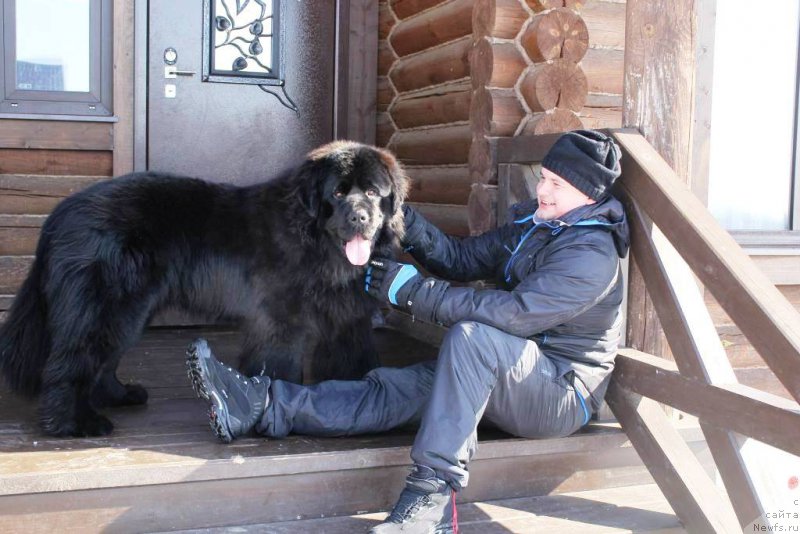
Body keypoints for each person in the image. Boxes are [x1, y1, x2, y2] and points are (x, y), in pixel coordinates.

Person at [185, 129, 629, 534]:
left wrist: (413, 292)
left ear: (588, 195)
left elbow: (518, 314)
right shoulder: (538, 226)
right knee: (390, 390)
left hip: (560, 391)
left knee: (472, 338)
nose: (542, 190)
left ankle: (430, 503)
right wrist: (393, 211)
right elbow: (461, 258)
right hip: (507, 371)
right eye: (544, 177)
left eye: (556, 184)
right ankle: (260, 405)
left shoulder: (591, 254)